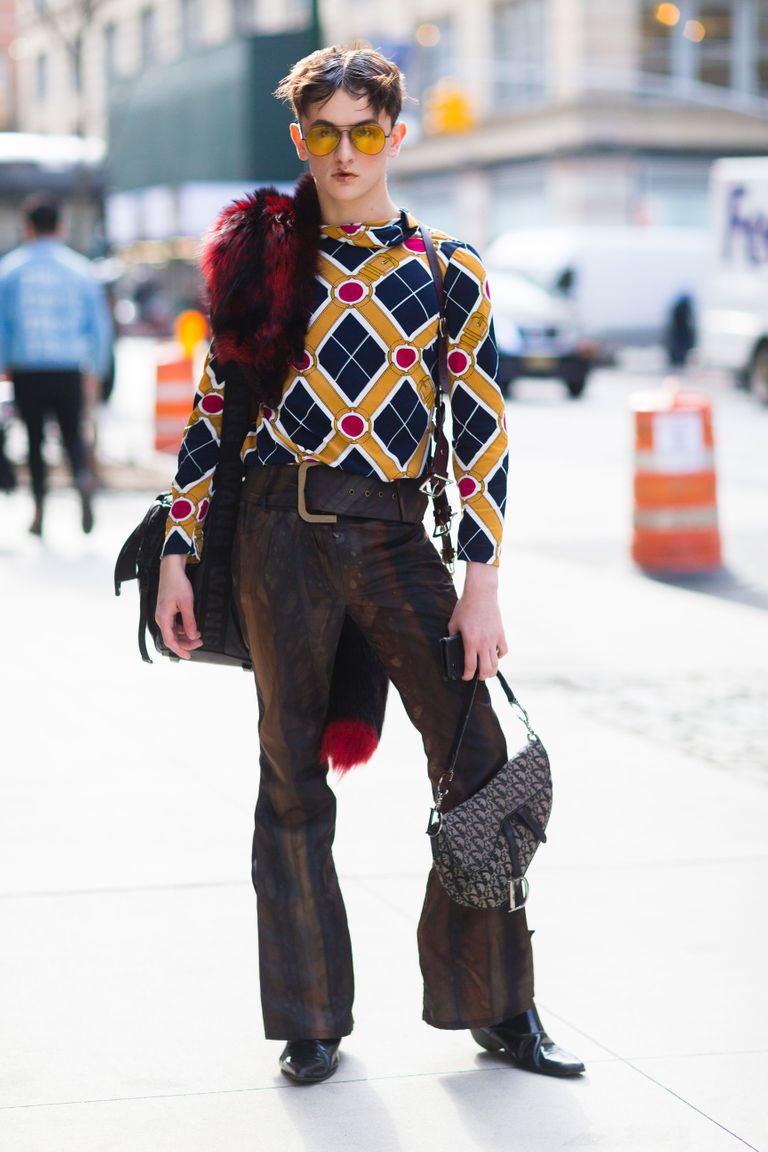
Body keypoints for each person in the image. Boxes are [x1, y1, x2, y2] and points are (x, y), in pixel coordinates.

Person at [156, 44, 585, 1086]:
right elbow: (216, 408)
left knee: (481, 760)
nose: (342, 154)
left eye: (362, 131)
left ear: (397, 133)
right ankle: (311, 1019)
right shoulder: (264, 256)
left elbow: (478, 425)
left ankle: (498, 1006)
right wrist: (178, 546)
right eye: (321, 133)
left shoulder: (447, 269)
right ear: (299, 137)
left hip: (395, 536)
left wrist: (481, 581)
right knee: (290, 779)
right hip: (277, 537)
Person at [0, 193, 112, 535]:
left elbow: (3, 323)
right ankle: (81, 478)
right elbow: (99, 325)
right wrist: (97, 368)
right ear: (60, 227)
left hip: (27, 368)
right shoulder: (80, 270)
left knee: (33, 441)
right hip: (69, 367)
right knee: (72, 436)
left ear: (27, 227)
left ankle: (39, 512)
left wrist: (3, 364)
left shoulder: (10, 270)